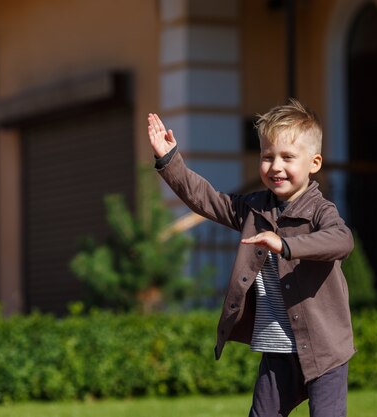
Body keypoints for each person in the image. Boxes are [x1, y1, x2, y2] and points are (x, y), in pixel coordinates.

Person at [147, 99, 355, 417]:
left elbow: (342, 240)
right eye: (267, 156)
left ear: (314, 163)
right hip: (277, 354)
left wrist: (285, 245)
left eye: (287, 157)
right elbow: (207, 200)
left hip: (324, 351)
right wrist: (169, 159)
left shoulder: (320, 211)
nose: (276, 166)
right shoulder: (253, 208)